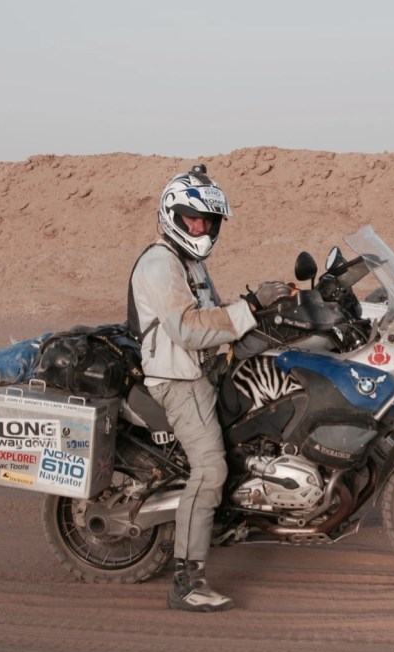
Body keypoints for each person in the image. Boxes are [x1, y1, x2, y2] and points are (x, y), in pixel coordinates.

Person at [127, 165, 291, 612]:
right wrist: (253, 305)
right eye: (191, 218)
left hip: (205, 372)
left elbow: (216, 313)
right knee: (211, 470)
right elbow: (191, 329)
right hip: (179, 381)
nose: (199, 227)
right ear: (172, 215)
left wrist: (270, 318)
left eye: (207, 221)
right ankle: (186, 581)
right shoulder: (161, 263)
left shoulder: (191, 262)